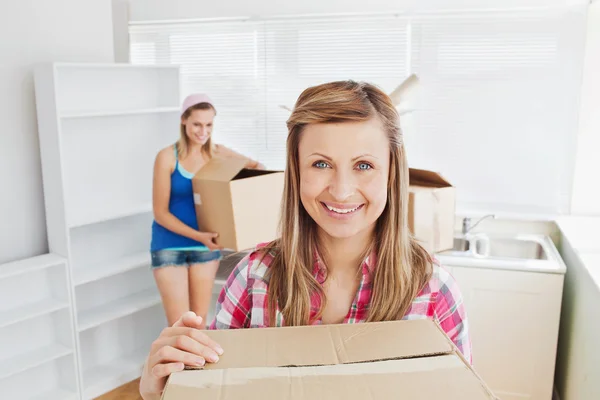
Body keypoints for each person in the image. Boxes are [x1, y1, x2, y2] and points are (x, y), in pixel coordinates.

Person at [140, 81, 471, 399]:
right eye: (321, 163)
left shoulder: (434, 291)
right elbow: (215, 391)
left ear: (391, 173)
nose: (341, 190)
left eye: (364, 165)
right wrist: (161, 393)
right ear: (296, 171)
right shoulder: (254, 279)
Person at [150, 93, 265, 328]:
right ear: (184, 121)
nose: (203, 131)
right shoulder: (167, 157)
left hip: (206, 246)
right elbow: (160, 213)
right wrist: (199, 236)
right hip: (170, 245)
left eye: (209, 125)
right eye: (197, 124)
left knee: (200, 322)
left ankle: (199, 366)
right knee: (179, 325)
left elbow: (257, 167)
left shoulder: (217, 153)